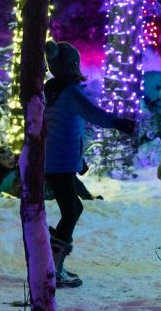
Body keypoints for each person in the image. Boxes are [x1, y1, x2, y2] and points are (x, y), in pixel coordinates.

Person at [42, 40, 135, 288]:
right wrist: (118, 122)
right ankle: (52, 268)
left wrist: (78, 161)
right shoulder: (70, 92)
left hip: (56, 161)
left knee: (74, 208)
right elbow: (93, 114)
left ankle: (53, 262)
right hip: (59, 164)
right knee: (72, 210)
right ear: (72, 65)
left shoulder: (49, 90)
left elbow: (62, 129)